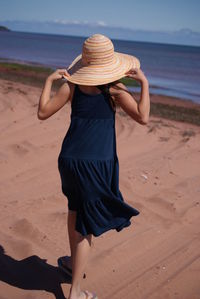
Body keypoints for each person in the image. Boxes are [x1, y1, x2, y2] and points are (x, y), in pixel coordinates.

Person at [37, 34, 150, 299]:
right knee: (86, 226)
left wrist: (48, 81)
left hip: (69, 161)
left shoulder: (72, 87)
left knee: (75, 211)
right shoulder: (114, 90)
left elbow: (42, 112)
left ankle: (70, 263)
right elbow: (143, 117)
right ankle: (75, 292)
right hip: (96, 165)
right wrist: (144, 83)